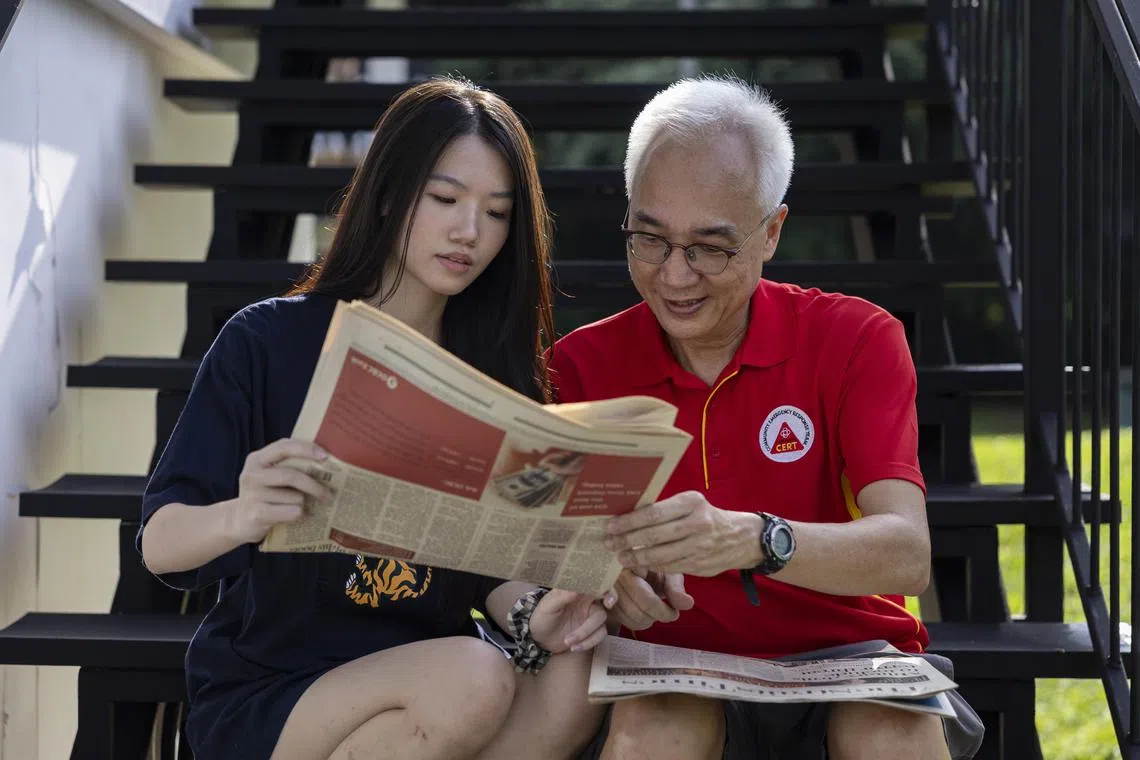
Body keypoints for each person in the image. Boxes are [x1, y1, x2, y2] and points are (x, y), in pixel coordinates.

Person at [137, 77, 608, 760]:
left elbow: (483, 565)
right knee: (473, 677)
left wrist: (539, 612)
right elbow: (160, 543)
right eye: (444, 199)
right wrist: (243, 512)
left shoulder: (492, 373)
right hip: (279, 691)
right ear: (388, 194)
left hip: (431, 690)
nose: (469, 232)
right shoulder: (267, 343)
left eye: (498, 213)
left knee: (575, 674)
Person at [547, 77, 986, 760]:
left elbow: (906, 554)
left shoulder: (856, 338)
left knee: (891, 729)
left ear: (772, 231)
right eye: (649, 239)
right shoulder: (579, 366)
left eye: (710, 247)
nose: (674, 275)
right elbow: (558, 549)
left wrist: (757, 540)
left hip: (850, 658)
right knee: (656, 732)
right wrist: (608, 582)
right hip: (669, 669)